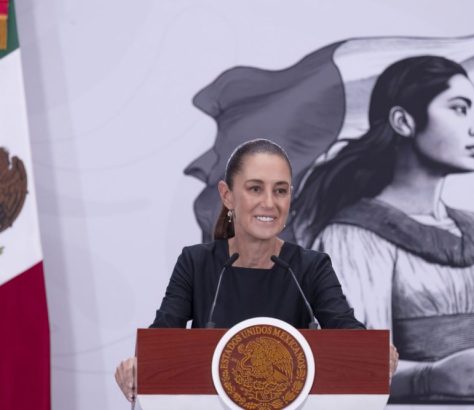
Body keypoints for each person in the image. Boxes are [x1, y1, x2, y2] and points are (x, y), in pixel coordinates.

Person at [115, 138, 398, 402]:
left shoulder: (310, 267)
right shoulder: (196, 263)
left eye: (280, 191)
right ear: (227, 196)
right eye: (255, 189)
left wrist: (377, 353)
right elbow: (162, 337)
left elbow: (348, 333)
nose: (269, 203)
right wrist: (137, 367)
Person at [292, 56, 474, 402]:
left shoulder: (470, 226)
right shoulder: (353, 237)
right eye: (459, 109)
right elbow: (348, 367)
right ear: (403, 121)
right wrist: (430, 377)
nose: (473, 125)